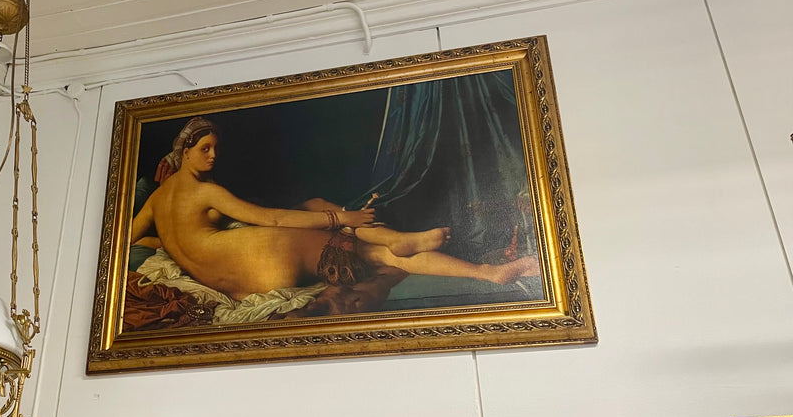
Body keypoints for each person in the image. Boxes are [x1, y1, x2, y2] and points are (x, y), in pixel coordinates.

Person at [131, 117, 538, 301]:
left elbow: (128, 241)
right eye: (205, 148)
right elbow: (270, 218)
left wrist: (163, 242)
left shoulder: (155, 201)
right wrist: (341, 218)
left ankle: (399, 238)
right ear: (184, 151)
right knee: (372, 252)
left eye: (215, 148)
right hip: (266, 257)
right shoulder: (206, 192)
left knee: (312, 205)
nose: (213, 156)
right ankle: (486, 272)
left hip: (239, 279)